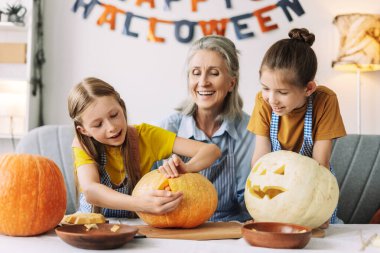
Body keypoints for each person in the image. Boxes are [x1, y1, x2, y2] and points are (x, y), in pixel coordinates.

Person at [67, 77, 221, 218]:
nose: (111, 127)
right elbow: (91, 191)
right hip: (92, 229)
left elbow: (211, 150)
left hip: (136, 229)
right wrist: (140, 203)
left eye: (114, 115)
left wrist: (187, 167)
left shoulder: (146, 135)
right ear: (84, 130)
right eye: (98, 124)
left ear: (122, 107)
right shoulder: (83, 144)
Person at [247, 28, 346, 225]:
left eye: (282, 92)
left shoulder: (325, 101)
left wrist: (318, 210)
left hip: (311, 187)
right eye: (266, 88)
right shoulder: (263, 101)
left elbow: (321, 163)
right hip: (275, 183)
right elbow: (260, 159)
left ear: (308, 88)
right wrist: (258, 205)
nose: (272, 99)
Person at [155, 35, 256, 222]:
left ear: (231, 83)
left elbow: (250, 199)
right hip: (178, 227)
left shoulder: (249, 131)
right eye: (195, 72)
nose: (203, 82)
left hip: (231, 231)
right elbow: (150, 191)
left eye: (214, 73)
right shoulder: (168, 128)